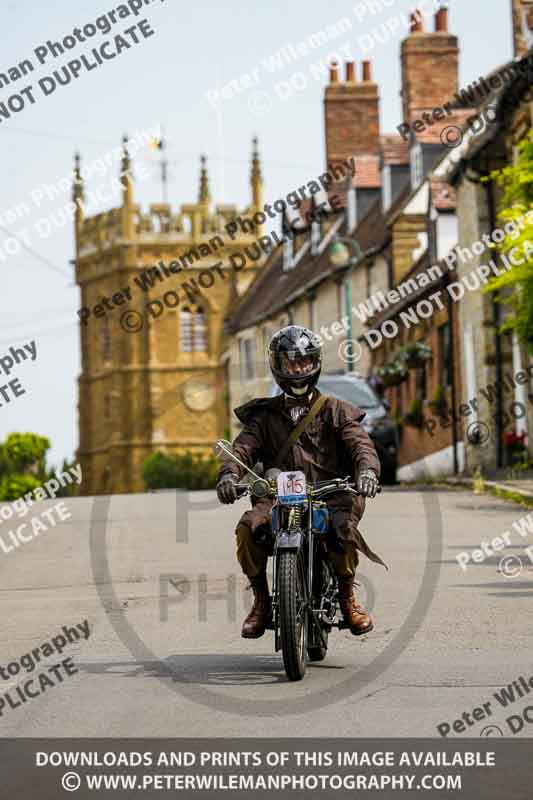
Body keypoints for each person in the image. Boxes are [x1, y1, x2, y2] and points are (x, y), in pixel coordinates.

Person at [216, 325, 384, 639]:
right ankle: (261, 600)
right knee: (248, 528)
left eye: (303, 362)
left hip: (329, 494)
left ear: (315, 363)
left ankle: (347, 596)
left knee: (343, 530)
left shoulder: (335, 410)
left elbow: (360, 444)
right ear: (277, 365)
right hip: (276, 496)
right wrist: (229, 475)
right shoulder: (263, 416)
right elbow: (242, 449)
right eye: (290, 363)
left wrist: (367, 472)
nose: (297, 369)